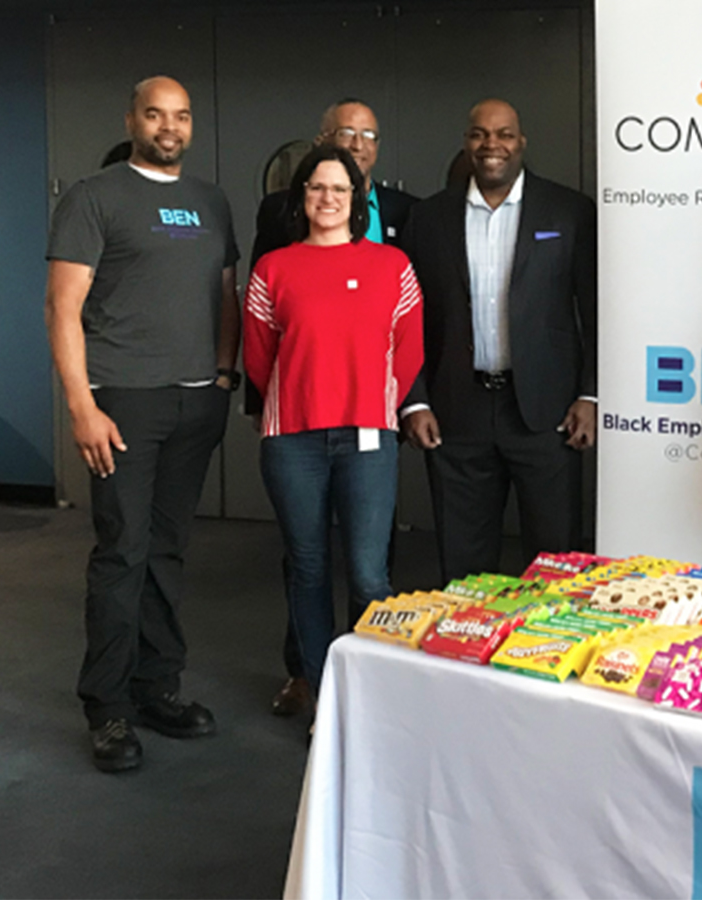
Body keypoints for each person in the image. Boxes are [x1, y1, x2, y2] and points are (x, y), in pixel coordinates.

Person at [44, 76, 241, 772]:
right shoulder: (94, 198)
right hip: (123, 401)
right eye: (155, 114)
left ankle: (158, 685)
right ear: (132, 118)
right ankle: (107, 708)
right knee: (123, 550)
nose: (169, 126)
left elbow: (225, 293)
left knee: (167, 550)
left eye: (181, 116)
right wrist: (82, 406)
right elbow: (61, 307)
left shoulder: (210, 201)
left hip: (195, 402)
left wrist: (221, 376)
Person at [250, 98, 417, 719]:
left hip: (368, 436)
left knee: (371, 576)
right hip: (292, 439)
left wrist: (366, 399)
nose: (328, 197)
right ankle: (323, 695)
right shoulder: (274, 268)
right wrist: (303, 393)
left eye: (339, 187)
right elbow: (262, 358)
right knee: (309, 568)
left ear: (357, 196)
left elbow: (411, 347)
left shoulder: (392, 265)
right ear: (303, 196)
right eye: (317, 187)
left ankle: (373, 693)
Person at [399, 99, 597, 582]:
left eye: (504, 134)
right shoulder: (429, 219)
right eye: (480, 135)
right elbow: (407, 320)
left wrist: (590, 395)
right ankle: (464, 657)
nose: (493, 145)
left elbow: (594, 309)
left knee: (556, 563)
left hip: (546, 413)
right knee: (463, 567)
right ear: (467, 143)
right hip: (455, 412)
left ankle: (551, 654)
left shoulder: (569, 211)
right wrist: (414, 401)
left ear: (522, 142)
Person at [250, 98, 417, 266]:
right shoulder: (279, 209)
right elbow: (264, 279)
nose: (358, 145)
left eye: (368, 135)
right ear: (321, 141)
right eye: (346, 133)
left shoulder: (408, 211)